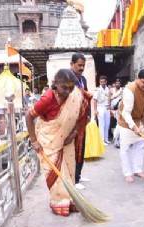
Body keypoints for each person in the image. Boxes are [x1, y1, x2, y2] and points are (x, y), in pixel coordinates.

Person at [25, 69, 83, 217]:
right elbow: (28, 117)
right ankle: (58, 202)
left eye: (71, 87)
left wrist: (74, 133)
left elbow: (80, 115)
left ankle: (70, 199)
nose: (69, 91)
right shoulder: (47, 99)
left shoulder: (74, 95)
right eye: (64, 87)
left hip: (66, 139)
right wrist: (34, 141)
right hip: (48, 138)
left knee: (69, 170)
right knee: (54, 172)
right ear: (55, 84)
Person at [117, 69, 144, 183]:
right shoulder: (129, 90)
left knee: (140, 145)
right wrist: (133, 127)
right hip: (126, 121)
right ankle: (127, 173)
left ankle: (137, 169)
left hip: (140, 120)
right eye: (143, 82)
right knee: (126, 147)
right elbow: (125, 112)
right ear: (137, 78)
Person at [70, 53, 91, 190]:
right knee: (73, 149)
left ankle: (78, 174)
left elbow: (87, 98)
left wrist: (88, 115)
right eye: (79, 65)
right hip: (72, 119)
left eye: (83, 65)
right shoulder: (68, 78)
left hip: (83, 119)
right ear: (71, 64)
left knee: (81, 147)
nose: (82, 68)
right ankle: (73, 178)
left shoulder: (82, 78)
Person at [93, 75, 112, 145]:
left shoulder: (108, 89)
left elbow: (109, 99)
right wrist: (95, 110)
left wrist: (110, 107)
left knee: (107, 124)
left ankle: (106, 139)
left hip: (107, 107)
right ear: (99, 82)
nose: (102, 83)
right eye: (101, 82)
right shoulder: (97, 90)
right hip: (100, 107)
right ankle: (101, 140)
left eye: (104, 82)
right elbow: (94, 100)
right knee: (101, 124)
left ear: (106, 82)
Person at [110, 78, 123, 148]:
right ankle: (114, 138)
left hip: (120, 110)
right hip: (113, 109)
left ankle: (118, 140)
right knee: (113, 125)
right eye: (116, 83)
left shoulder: (122, 91)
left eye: (119, 83)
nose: (117, 84)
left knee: (120, 126)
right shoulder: (111, 90)